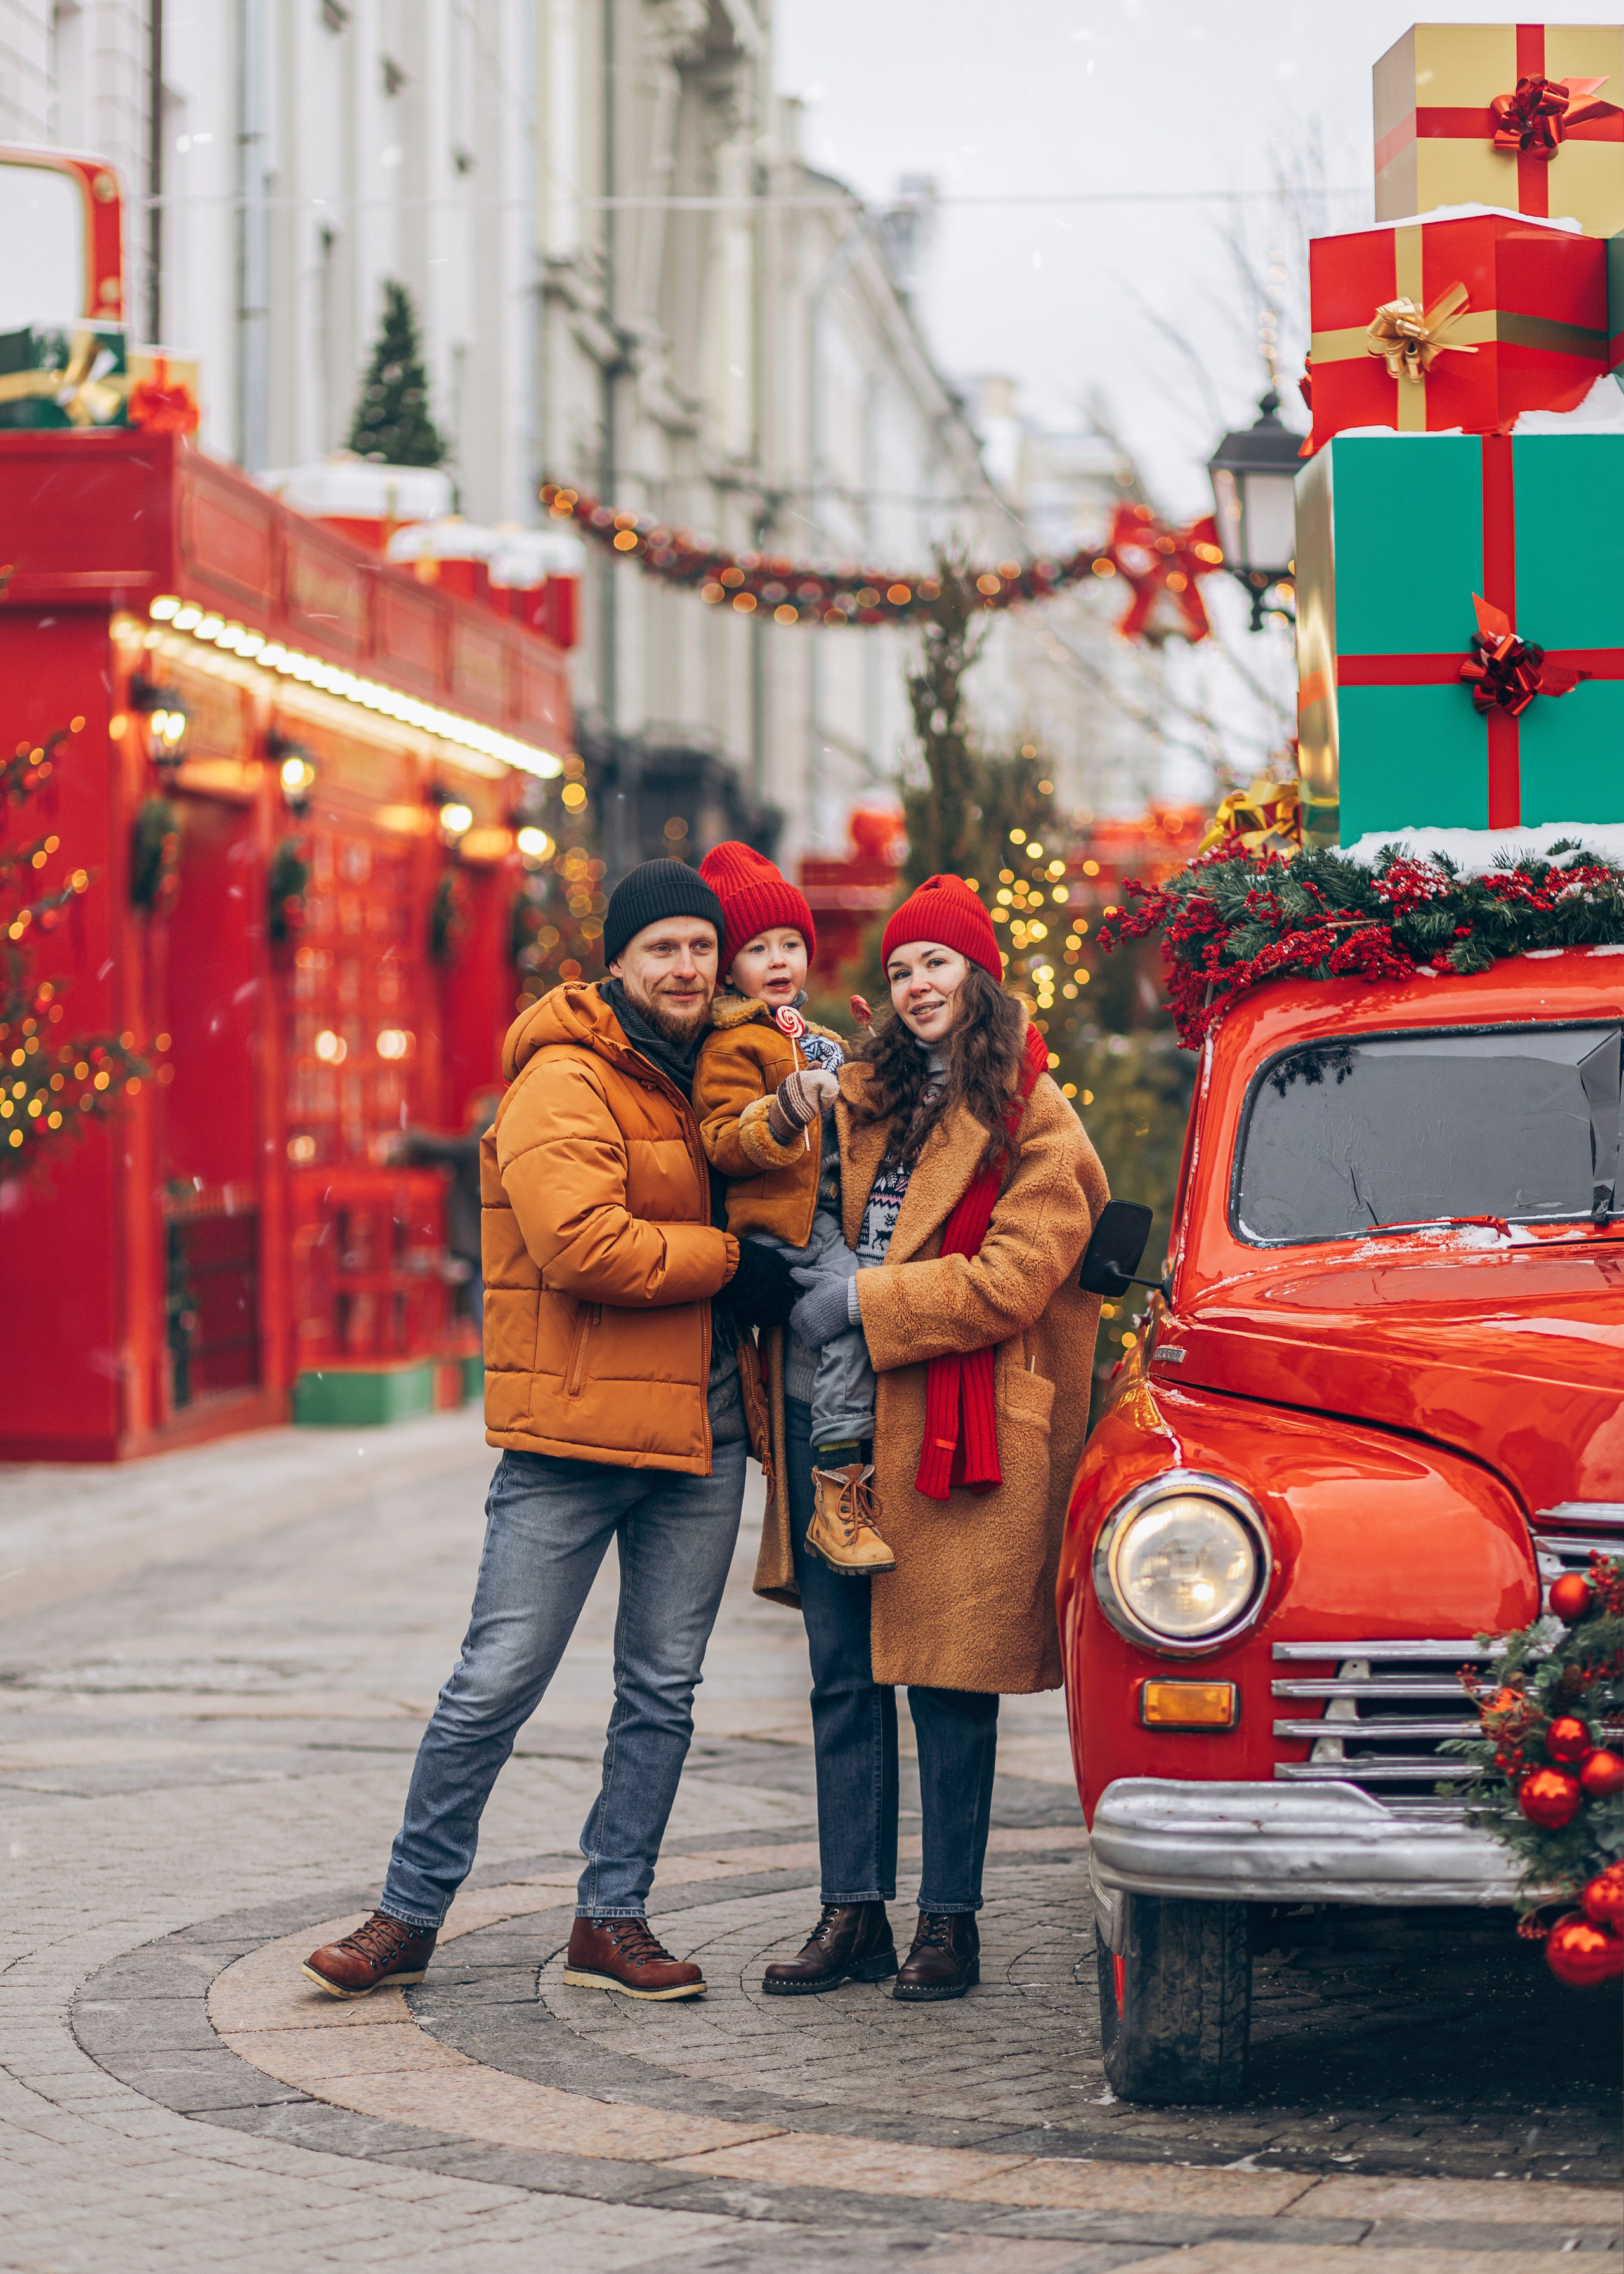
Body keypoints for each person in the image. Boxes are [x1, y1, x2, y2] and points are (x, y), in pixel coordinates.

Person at [303, 859, 797, 2006]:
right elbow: (584, 1243)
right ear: (616, 962)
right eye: (661, 947)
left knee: (662, 1690)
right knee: (495, 1680)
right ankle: (407, 1913)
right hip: (572, 1439)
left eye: (698, 946)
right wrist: (734, 1264)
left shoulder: (721, 1069)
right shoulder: (564, 1077)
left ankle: (612, 1917)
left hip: (700, 1434)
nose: (685, 966)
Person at [754, 873, 1107, 2002]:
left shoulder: (1039, 1116)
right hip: (839, 1419)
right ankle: (850, 1906)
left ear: (979, 974)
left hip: (956, 1425)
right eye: (901, 967)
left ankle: (948, 1919)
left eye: (937, 963)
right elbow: (784, 1186)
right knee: (843, 1675)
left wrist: (861, 1298)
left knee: (948, 1682)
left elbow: (1013, 1278)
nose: (915, 985)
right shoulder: (852, 1092)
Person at [692, 841, 892, 1577]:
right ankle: (837, 1493)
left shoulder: (818, 1036)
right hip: (786, 1228)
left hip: (833, 1216)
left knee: (872, 1298)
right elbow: (721, 1137)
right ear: (728, 966)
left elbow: (861, 1115)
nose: (778, 960)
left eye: (790, 944)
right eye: (756, 947)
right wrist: (777, 1116)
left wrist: (872, 1058)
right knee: (857, 1314)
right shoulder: (733, 1044)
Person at [390, 1088, 500, 1325]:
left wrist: (408, 1135)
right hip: (492, 1239)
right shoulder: (501, 1148)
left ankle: (488, 1358)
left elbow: (439, 1147)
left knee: (483, 1311)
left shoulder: (475, 1146)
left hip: (475, 1243)